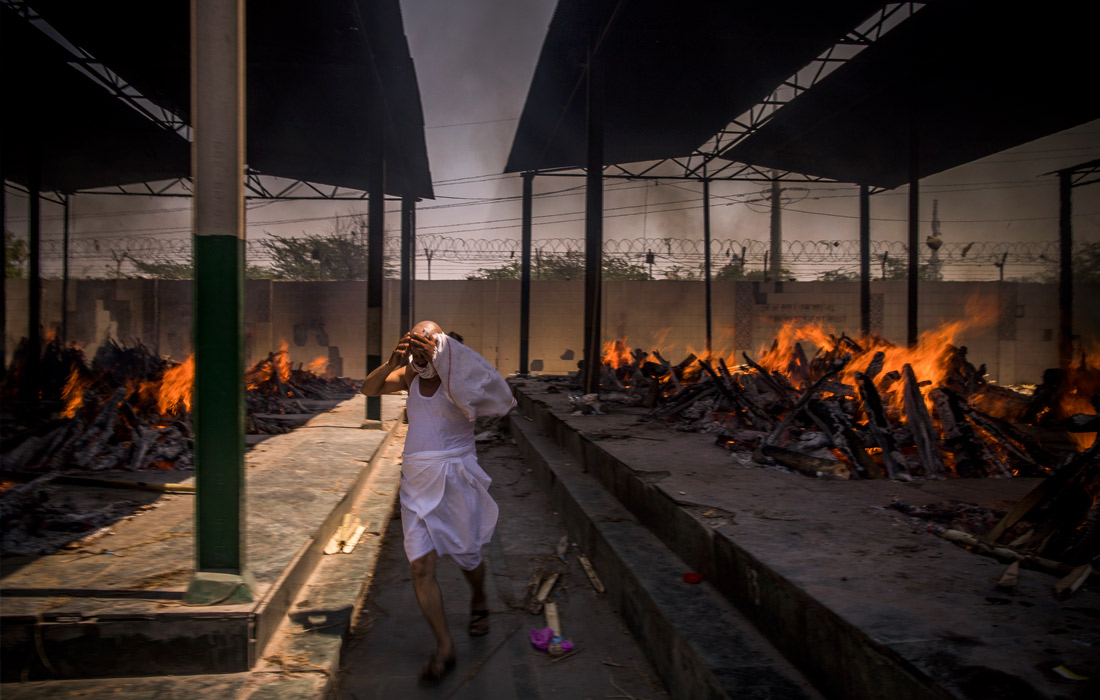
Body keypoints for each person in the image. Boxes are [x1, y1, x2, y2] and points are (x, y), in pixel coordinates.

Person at [360, 320, 515, 684]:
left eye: (426, 342)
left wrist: (447, 364)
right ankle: (445, 647)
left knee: (468, 555)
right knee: (419, 567)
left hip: (455, 480)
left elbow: (493, 395)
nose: (419, 349)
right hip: (416, 483)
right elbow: (369, 389)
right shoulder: (410, 376)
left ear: (443, 346)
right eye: (414, 342)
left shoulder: (460, 379)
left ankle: (479, 598)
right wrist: (392, 362)